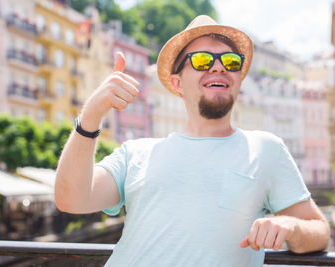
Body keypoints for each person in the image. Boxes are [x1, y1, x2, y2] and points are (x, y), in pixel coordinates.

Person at [55, 15, 330, 266]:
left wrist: (289, 227)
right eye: (202, 60)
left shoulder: (266, 149)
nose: (219, 67)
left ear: (238, 79)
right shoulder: (137, 153)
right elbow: (71, 199)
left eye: (231, 61)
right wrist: (91, 114)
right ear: (177, 83)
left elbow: (319, 232)